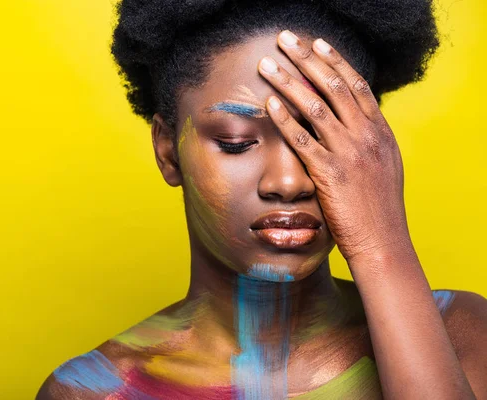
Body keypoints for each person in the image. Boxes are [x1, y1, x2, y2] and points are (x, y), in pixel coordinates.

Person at [37, 0, 487, 398]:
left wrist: (381, 248)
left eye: (322, 136)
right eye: (236, 142)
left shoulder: (460, 332)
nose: (289, 182)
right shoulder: (99, 390)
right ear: (167, 149)